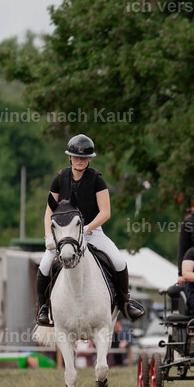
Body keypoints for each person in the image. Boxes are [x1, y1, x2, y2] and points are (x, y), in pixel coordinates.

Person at [36, 134, 145, 326]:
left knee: (119, 261)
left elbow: (105, 212)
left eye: (84, 157)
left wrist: (86, 228)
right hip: (63, 234)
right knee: (44, 266)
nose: (80, 160)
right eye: (76, 157)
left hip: (92, 232)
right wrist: (48, 235)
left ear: (89, 159)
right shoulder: (59, 178)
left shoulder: (96, 179)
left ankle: (125, 302)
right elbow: (49, 211)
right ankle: (43, 308)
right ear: (70, 157)